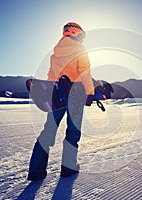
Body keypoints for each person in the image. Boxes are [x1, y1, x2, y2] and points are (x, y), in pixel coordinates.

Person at [28, 22, 96, 180]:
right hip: (76, 96)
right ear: (77, 33)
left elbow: (51, 77)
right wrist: (90, 92)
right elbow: (85, 72)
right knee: (73, 132)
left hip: (56, 96)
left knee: (48, 132)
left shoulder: (55, 53)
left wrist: (51, 95)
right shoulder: (80, 50)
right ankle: (68, 168)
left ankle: (35, 171)